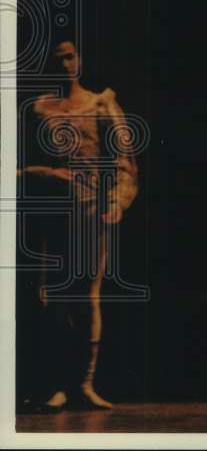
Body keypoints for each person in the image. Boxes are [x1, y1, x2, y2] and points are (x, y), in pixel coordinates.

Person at [19, 41, 138, 411]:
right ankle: (56, 383)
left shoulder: (100, 104)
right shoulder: (38, 109)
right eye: (57, 59)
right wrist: (35, 174)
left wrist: (117, 200)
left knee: (87, 296)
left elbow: (123, 159)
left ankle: (83, 382)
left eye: (69, 56)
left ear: (80, 60)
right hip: (48, 207)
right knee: (50, 297)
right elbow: (21, 157)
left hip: (89, 206)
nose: (64, 64)